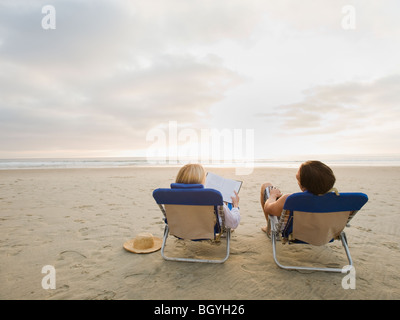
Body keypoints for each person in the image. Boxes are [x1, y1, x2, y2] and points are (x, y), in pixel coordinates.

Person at [260, 160, 336, 233]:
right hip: (320, 231)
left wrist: (273, 196)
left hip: (294, 232)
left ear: (302, 185)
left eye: (298, 179)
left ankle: (269, 229)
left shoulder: (290, 199)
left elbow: (268, 208)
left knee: (266, 185)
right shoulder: (336, 200)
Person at [175, 163, 241, 229]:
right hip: (207, 229)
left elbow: (169, 218)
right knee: (228, 204)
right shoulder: (212, 197)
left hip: (182, 229)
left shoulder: (172, 196)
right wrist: (235, 205)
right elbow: (234, 223)